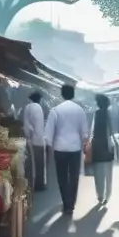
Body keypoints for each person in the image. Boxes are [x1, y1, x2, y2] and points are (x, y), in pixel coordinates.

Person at [44, 84, 88, 215]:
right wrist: (85, 144)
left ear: (62, 94)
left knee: (62, 176)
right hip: (75, 147)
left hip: (60, 148)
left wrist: (49, 147)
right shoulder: (80, 110)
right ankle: (71, 204)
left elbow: (48, 133)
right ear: (73, 94)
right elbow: (84, 132)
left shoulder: (55, 110)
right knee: (74, 176)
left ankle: (66, 203)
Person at [90, 95, 117, 207]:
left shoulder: (96, 114)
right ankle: (107, 196)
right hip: (107, 146)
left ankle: (100, 195)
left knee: (98, 174)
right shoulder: (109, 114)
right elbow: (112, 131)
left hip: (97, 147)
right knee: (108, 174)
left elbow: (92, 131)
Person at [22, 92, 46, 191]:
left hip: (30, 139)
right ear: (39, 99)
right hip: (38, 140)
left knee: (30, 164)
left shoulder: (27, 107)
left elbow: (27, 124)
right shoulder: (38, 108)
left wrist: (28, 135)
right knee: (39, 164)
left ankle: (30, 184)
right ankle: (39, 184)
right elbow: (38, 125)